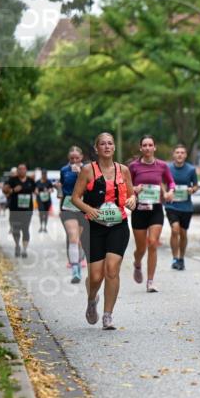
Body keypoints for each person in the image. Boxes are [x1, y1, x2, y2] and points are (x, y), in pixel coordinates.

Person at [69, 132, 136, 330]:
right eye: (103, 144)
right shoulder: (88, 170)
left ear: (114, 147)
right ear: (96, 148)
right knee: (96, 277)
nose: (107, 146)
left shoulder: (123, 170)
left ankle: (108, 315)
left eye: (110, 143)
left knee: (112, 270)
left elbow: (131, 195)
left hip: (118, 225)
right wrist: (89, 209)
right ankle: (92, 300)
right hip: (94, 227)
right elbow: (75, 198)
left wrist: (132, 200)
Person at [128, 135, 174, 293]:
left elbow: (171, 182)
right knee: (141, 248)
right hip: (139, 210)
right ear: (140, 148)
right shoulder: (133, 167)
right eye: (144, 145)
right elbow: (126, 186)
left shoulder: (162, 165)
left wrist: (170, 192)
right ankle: (137, 263)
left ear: (155, 147)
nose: (147, 148)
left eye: (150, 145)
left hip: (156, 209)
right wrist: (134, 189)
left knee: (153, 243)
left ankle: (150, 281)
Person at [58, 146, 88, 284]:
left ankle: (79, 259)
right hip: (68, 207)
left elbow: (91, 187)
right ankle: (75, 270)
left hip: (83, 207)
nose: (74, 160)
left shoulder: (87, 169)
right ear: (68, 158)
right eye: (72, 158)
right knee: (73, 238)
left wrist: (80, 173)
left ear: (81, 157)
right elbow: (62, 188)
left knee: (79, 240)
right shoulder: (64, 170)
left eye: (77, 158)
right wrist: (58, 189)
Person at [166, 144, 198, 270]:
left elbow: (196, 185)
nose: (179, 154)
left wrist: (192, 189)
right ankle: (175, 258)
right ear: (173, 154)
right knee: (175, 230)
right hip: (171, 205)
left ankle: (181, 258)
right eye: (177, 152)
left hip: (186, 206)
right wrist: (166, 193)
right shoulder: (168, 168)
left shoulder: (191, 169)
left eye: (182, 152)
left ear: (185, 155)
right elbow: (162, 182)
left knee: (183, 233)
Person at [2, 163, 35, 257]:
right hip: (15, 209)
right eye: (20, 169)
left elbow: (35, 190)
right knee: (15, 229)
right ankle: (17, 245)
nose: (22, 171)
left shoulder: (30, 180)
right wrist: (13, 190)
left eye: (23, 169)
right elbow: (4, 191)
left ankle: (24, 250)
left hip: (27, 209)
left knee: (25, 229)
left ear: (26, 170)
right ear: (17, 171)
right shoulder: (12, 180)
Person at [35, 169, 53, 233]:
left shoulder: (48, 182)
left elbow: (52, 189)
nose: (44, 175)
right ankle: (41, 226)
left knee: (46, 213)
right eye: (43, 174)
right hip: (40, 199)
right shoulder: (38, 182)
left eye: (45, 174)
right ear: (41, 174)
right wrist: (37, 192)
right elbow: (35, 189)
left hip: (47, 199)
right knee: (41, 212)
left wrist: (50, 190)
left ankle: (45, 227)